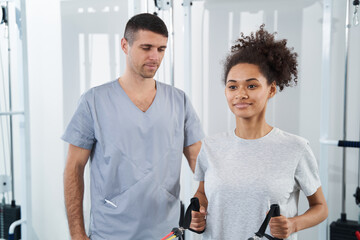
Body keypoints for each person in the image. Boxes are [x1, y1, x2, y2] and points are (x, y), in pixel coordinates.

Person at [62, 13, 204, 240]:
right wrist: (77, 234)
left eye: (161, 49)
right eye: (146, 47)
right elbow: (73, 169)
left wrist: (203, 194)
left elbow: (201, 164)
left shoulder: (179, 102)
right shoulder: (94, 101)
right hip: (110, 232)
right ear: (125, 45)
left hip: (165, 233)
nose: (154, 56)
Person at [189, 25, 328, 240]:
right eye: (232, 87)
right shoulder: (211, 146)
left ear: (271, 89)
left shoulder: (296, 148)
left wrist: (293, 224)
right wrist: (198, 213)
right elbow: (202, 193)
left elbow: (320, 208)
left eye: (252, 86)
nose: (241, 94)